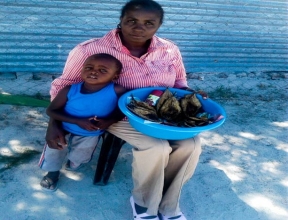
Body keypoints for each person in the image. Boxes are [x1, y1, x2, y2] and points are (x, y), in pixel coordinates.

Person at [43, 0, 205, 219]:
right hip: (117, 116)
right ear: (120, 20)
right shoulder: (91, 49)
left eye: (149, 23)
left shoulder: (169, 49)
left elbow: (178, 83)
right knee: (155, 148)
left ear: (158, 25)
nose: (139, 28)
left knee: (191, 144)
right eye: (131, 21)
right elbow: (64, 87)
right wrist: (54, 123)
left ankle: (168, 206)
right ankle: (144, 205)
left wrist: (191, 93)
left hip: (161, 113)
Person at [39, 53, 126, 191]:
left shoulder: (118, 90)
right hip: (63, 128)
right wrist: (77, 121)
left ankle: (73, 161)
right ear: (82, 69)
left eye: (103, 70)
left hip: (91, 132)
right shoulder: (70, 89)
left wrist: (109, 120)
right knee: (54, 151)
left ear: (115, 76)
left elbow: (123, 109)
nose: (93, 71)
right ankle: (53, 172)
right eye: (89, 67)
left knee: (81, 155)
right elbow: (51, 110)